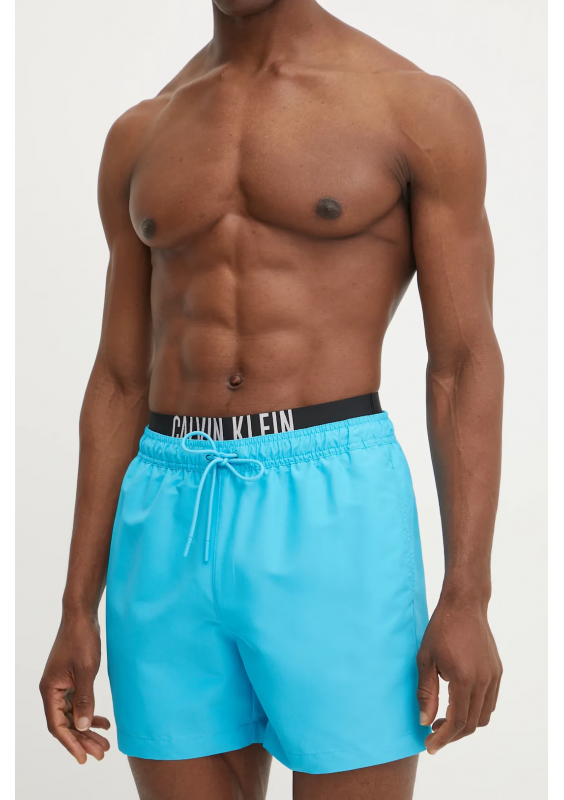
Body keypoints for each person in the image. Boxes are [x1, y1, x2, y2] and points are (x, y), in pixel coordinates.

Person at [39, 1, 504, 798]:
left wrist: (469, 592)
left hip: (333, 508)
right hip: (166, 513)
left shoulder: (414, 109)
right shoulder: (142, 133)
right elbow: (119, 377)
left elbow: (462, 362)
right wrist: (76, 607)